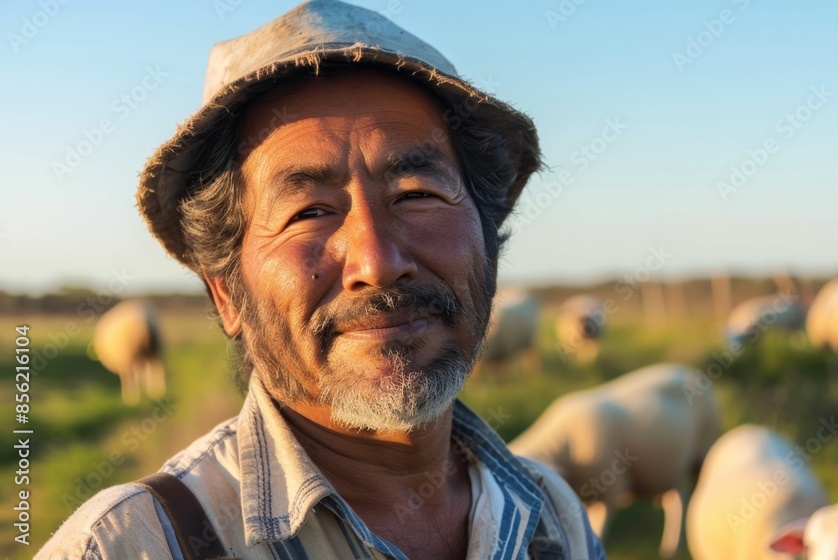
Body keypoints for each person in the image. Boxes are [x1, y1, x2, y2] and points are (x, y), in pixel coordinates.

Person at [38, 1, 605, 559]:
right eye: (308, 211)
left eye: (417, 195)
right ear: (227, 293)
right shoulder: (131, 547)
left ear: (488, 248)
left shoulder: (552, 517)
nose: (377, 262)